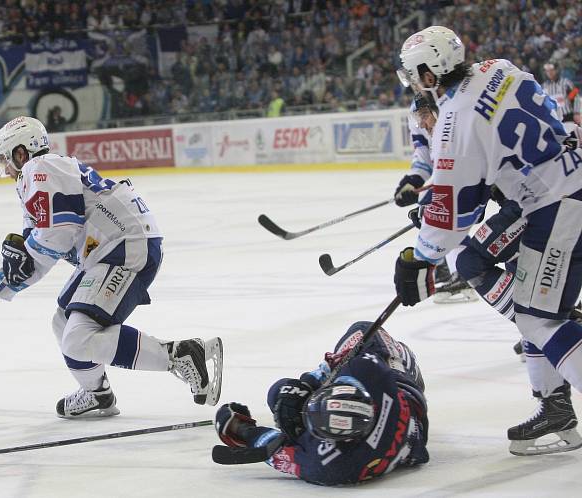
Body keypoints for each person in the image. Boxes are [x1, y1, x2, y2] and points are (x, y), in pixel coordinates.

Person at [0, 116, 223, 418]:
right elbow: (33, 256)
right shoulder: (37, 176)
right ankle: (97, 393)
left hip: (125, 245)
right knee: (63, 322)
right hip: (108, 251)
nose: (5, 169)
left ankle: (181, 355)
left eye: (6, 159)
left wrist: (13, 269)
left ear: (21, 152)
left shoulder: (40, 168)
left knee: (78, 338)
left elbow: (56, 235)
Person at [393, 26, 582, 455]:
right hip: (561, 186)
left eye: (412, 74)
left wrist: (418, 257)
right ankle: (556, 412)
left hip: (556, 205)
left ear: (428, 73)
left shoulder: (457, 117)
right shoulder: (499, 69)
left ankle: (559, 390)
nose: (410, 83)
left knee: (538, 319)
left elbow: (453, 211)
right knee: (531, 303)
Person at [214, 321, 429, 486]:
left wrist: (242, 431)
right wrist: (307, 385)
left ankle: (401, 367)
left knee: (277, 394)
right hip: (407, 410)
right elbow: (352, 358)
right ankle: (402, 366)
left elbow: (277, 450)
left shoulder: (330, 465)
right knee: (365, 333)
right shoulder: (368, 373)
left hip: (398, 412)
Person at [394, 91, 475, 303]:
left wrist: (429, 198)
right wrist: (412, 181)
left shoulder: (454, 119)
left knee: (442, 213)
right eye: (418, 117)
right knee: (433, 212)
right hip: (453, 174)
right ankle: (446, 266)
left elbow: (455, 168)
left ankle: (464, 275)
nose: (421, 124)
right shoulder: (424, 118)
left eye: (424, 116)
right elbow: (423, 156)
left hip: (476, 177)